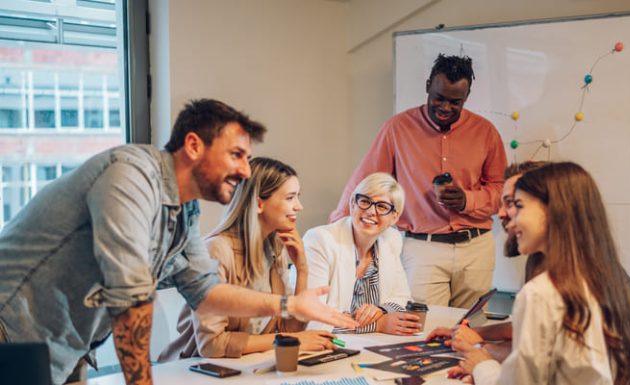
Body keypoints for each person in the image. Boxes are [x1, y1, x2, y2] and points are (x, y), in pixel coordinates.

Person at [0, 99, 356, 385]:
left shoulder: (184, 212)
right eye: (236, 155)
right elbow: (130, 296)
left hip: (65, 350)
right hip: (11, 333)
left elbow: (207, 291)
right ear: (193, 145)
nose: (246, 170)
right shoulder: (130, 176)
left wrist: (289, 305)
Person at [430, 161, 630, 384]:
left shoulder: (545, 291)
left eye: (517, 205)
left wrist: (482, 363)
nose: (507, 216)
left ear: (554, 209)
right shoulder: (583, 274)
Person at [329, 54, 507, 309]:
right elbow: (365, 183)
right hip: (421, 247)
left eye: (455, 102)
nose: (445, 107)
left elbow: (501, 190)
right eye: (439, 98)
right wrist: (335, 231)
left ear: (467, 97)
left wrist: (468, 199)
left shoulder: (486, 132)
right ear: (427, 86)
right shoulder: (397, 128)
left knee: (471, 329)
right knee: (422, 329)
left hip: (476, 247)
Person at [160, 157, 336, 361]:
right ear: (259, 204)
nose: (299, 206)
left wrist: (302, 267)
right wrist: (291, 339)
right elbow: (212, 345)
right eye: (290, 197)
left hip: (248, 366)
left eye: (298, 196)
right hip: (197, 370)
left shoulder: (274, 247)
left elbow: (287, 327)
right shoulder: (216, 250)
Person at [305, 173, 420, 335]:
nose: (371, 212)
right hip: (329, 344)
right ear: (352, 203)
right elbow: (312, 318)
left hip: (371, 343)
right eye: (365, 201)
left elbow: (403, 298)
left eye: (382, 206)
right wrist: (378, 325)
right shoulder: (320, 240)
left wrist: (381, 309)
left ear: (395, 217)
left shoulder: (391, 239)